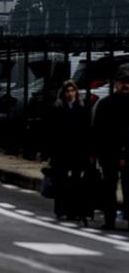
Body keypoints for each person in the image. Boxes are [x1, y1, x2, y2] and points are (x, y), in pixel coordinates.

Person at [47, 80, 92, 221]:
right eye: (67, 91)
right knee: (61, 181)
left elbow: (87, 130)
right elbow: (52, 131)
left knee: (76, 181)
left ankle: (74, 210)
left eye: (72, 91)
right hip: (61, 150)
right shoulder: (57, 108)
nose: (70, 94)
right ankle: (61, 208)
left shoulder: (83, 108)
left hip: (78, 150)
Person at [93, 68, 129, 230]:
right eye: (123, 82)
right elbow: (98, 130)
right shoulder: (106, 104)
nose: (126, 85)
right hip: (109, 152)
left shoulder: (106, 103)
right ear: (116, 84)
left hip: (116, 152)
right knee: (109, 187)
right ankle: (110, 219)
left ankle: (114, 219)